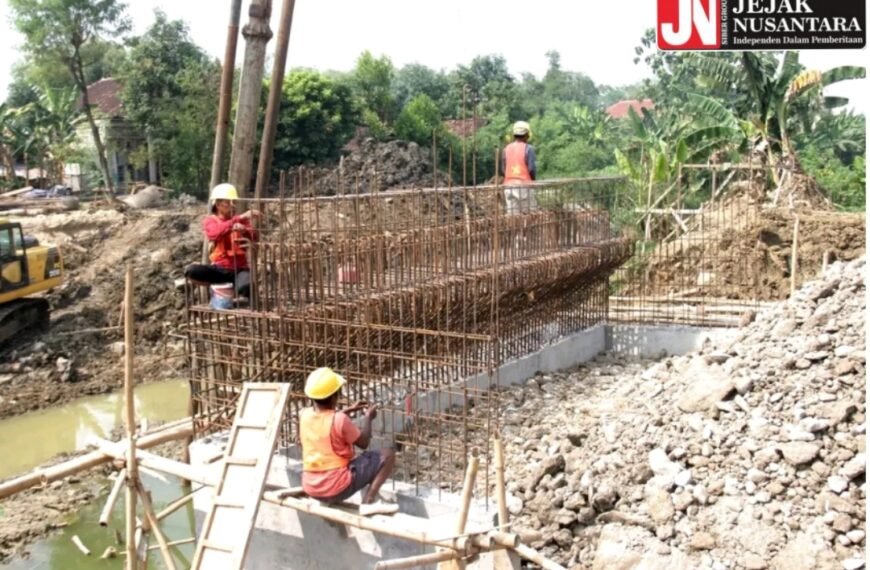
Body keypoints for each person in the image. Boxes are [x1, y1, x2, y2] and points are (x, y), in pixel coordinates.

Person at [300, 367, 398, 516]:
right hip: (336, 487)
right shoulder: (340, 420)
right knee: (387, 455)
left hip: (311, 486)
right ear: (334, 397)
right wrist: (368, 418)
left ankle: (328, 495)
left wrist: (348, 410)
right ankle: (368, 502)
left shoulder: (304, 415)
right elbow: (364, 442)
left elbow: (324, 419)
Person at [184, 183, 260, 304]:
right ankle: (220, 287)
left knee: (246, 285)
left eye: (234, 202)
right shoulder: (211, 221)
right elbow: (214, 233)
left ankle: (238, 293)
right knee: (192, 271)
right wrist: (235, 220)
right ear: (218, 205)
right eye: (228, 202)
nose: (233, 206)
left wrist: (244, 231)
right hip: (219, 269)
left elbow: (254, 238)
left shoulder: (242, 221)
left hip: (239, 269)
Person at [501, 121, 538, 215]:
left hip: (509, 187)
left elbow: (503, 170)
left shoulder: (506, 149)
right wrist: (533, 182)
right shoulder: (529, 149)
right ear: (527, 135)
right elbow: (531, 169)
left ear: (514, 134)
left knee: (513, 219)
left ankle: (515, 230)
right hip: (525, 186)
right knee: (530, 216)